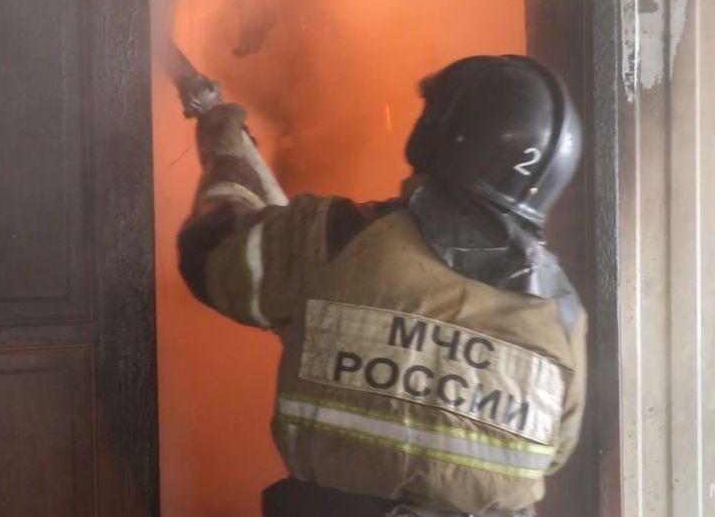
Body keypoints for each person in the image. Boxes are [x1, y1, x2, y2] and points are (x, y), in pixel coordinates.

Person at [171, 44, 587, 517]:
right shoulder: (564, 318)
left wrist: (227, 153)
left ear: (440, 135)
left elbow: (210, 257)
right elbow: (554, 453)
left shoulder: (338, 239)